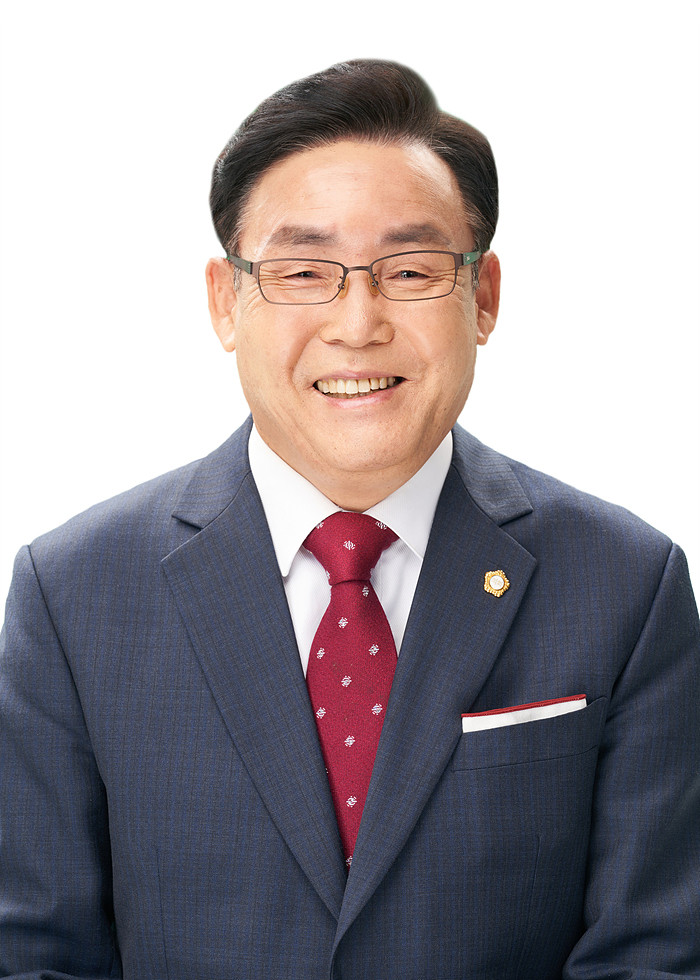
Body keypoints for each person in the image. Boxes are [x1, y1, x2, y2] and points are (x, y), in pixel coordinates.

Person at [0, 59, 698, 980]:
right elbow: (35, 956)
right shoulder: (74, 593)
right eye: (303, 272)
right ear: (225, 302)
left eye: (409, 270)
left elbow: (654, 957)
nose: (358, 322)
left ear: (483, 297)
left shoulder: (626, 585)